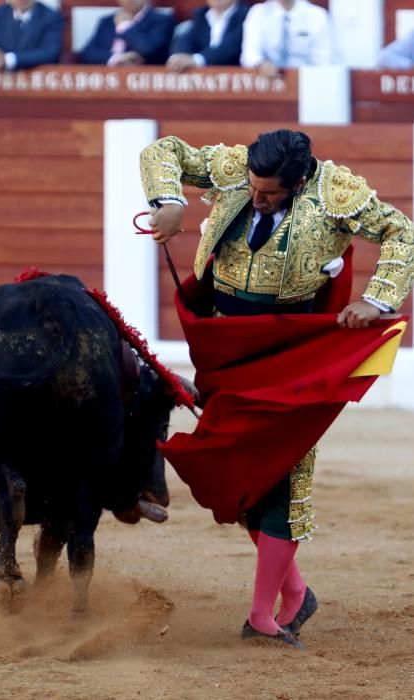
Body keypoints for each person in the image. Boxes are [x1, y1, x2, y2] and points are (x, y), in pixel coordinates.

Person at [139, 129, 414, 647]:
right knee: (241, 468)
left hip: (293, 353)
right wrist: (170, 201)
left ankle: (263, 616)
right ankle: (296, 593)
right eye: (253, 187)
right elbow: (164, 150)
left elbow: (404, 233)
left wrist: (377, 300)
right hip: (228, 350)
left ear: (301, 180)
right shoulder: (234, 170)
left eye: (270, 194)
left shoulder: (335, 193)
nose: (257, 197)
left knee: (284, 473)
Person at [240, 0, 334, 76]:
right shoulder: (258, 13)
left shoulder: (317, 15)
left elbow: (322, 60)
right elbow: (249, 55)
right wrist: (260, 64)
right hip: (267, 80)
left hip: (306, 81)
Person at [79, 0, 175, 67]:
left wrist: (125, 26)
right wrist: (116, 59)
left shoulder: (162, 20)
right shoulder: (107, 21)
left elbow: (147, 50)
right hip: (107, 81)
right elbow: (87, 53)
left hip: (143, 83)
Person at [166, 0, 249, 73]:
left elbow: (231, 46)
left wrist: (195, 60)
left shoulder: (247, 15)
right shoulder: (201, 14)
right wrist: (178, 58)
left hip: (235, 77)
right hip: (203, 79)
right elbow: (186, 39)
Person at [0, 0, 64, 71]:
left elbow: (50, 53)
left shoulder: (50, 16)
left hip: (34, 81)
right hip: (5, 81)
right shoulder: (1, 12)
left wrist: (8, 59)